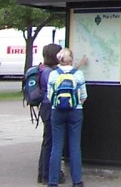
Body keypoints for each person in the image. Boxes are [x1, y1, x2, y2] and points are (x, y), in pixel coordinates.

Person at [47, 48, 87, 187]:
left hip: (57, 112)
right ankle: (77, 181)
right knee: (75, 146)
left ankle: (52, 181)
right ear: (71, 59)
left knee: (56, 146)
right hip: (75, 112)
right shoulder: (78, 74)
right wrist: (76, 104)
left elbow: (49, 96)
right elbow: (83, 96)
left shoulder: (53, 75)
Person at [37, 43, 64, 185]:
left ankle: (42, 173)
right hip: (50, 107)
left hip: (44, 107)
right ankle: (47, 174)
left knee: (47, 141)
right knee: (51, 142)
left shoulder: (43, 69)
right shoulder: (50, 73)